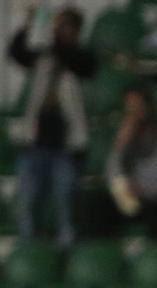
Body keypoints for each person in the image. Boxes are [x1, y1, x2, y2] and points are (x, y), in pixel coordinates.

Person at [8, 5, 96, 248]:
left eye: (66, 26)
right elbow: (17, 52)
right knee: (28, 200)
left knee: (65, 202)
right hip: (36, 141)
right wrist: (30, 26)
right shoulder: (44, 56)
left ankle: (66, 249)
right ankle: (29, 247)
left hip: (67, 144)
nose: (60, 30)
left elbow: (76, 60)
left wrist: (52, 38)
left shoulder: (82, 58)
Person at [105, 85, 157, 236]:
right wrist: (120, 145)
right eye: (129, 107)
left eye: (137, 105)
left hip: (154, 197)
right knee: (97, 205)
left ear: (148, 106)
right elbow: (111, 175)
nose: (134, 112)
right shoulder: (125, 135)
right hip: (130, 197)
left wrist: (143, 189)